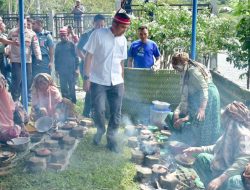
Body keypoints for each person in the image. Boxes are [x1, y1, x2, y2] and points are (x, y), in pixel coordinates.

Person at [83, 10, 131, 153]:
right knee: (99, 110)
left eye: (126, 29)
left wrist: (123, 81)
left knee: (116, 114)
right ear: (115, 24)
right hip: (98, 80)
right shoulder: (97, 34)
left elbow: (121, 63)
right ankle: (100, 130)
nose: (124, 31)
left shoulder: (123, 40)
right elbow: (88, 57)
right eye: (123, 28)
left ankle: (111, 140)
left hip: (117, 81)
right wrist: (86, 78)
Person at [183, 101, 250, 190]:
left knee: (235, 181)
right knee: (202, 157)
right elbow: (217, 147)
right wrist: (197, 149)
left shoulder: (244, 135)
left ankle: (217, 185)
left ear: (232, 120)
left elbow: (243, 162)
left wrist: (220, 179)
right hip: (226, 167)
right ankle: (210, 186)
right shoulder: (231, 131)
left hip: (238, 175)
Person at [165, 52, 221, 146]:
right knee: (198, 122)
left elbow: (204, 88)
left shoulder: (192, 71)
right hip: (201, 95)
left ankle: (205, 147)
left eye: (176, 67)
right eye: (174, 67)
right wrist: (177, 112)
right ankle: (194, 145)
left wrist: (202, 108)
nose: (176, 70)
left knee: (205, 123)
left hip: (208, 96)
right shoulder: (185, 71)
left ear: (183, 64)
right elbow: (185, 96)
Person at [77, 14, 105, 117]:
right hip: (86, 67)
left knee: (98, 89)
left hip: (99, 67)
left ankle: (96, 113)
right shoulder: (86, 35)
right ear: (93, 24)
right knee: (89, 89)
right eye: (98, 25)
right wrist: (87, 60)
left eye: (102, 25)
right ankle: (86, 112)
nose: (100, 27)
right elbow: (78, 50)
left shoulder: (105, 35)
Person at [8, 18, 42, 101]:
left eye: (25, 24)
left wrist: (38, 57)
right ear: (18, 23)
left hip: (27, 60)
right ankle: (15, 99)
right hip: (16, 60)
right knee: (16, 80)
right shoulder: (12, 32)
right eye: (21, 23)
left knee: (27, 81)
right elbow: (8, 43)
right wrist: (7, 52)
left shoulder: (31, 33)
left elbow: (36, 46)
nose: (23, 25)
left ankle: (25, 99)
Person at [0, 74, 27, 142]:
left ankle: (13, 132)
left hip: (9, 123)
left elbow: (14, 111)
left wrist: (21, 125)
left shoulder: (7, 95)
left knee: (18, 106)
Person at [55, 28, 78, 104]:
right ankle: (65, 104)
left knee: (72, 88)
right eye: (61, 36)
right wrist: (56, 70)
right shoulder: (58, 45)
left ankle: (73, 103)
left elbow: (76, 57)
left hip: (71, 70)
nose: (63, 37)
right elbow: (56, 58)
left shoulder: (71, 44)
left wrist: (77, 69)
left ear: (67, 35)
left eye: (64, 35)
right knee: (63, 88)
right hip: (62, 71)